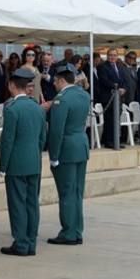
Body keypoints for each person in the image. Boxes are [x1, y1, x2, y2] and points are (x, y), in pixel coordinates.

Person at [0, 68, 46, 257]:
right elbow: (43, 138)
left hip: (17, 163)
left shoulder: (12, 109)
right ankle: (31, 241)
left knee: (17, 203)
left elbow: (8, 141)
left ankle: (21, 242)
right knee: (32, 203)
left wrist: (3, 166)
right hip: (34, 161)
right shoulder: (37, 108)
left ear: (11, 86)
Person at [47, 64, 90, 246]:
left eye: (56, 82)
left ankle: (68, 232)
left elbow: (57, 130)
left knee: (66, 192)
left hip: (66, 148)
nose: (54, 85)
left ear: (62, 80)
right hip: (81, 145)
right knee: (77, 191)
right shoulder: (84, 95)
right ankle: (77, 229)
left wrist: (53, 155)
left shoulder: (61, 100)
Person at [97, 48, 126, 148]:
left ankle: (116, 140)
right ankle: (109, 141)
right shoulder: (102, 66)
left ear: (117, 56)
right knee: (109, 120)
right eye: (110, 55)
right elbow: (104, 80)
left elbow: (124, 79)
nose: (112, 57)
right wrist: (117, 87)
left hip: (118, 98)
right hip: (108, 97)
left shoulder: (120, 66)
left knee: (117, 119)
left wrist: (124, 89)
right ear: (107, 56)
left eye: (114, 55)